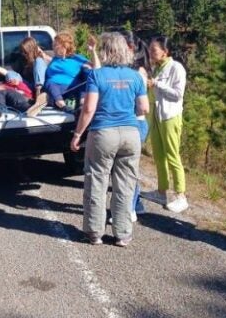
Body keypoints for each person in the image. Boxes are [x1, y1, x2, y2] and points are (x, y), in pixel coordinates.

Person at [71, 33, 148, 247]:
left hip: (103, 132)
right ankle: (122, 233)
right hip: (131, 133)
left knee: (97, 180)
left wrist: (78, 135)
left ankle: (94, 231)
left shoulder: (97, 75)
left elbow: (88, 109)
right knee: (125, 184)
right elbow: (144, 108)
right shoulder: (135, 77)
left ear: (105, 50)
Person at [89, 31, 151, 222]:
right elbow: (144, 108)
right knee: (125, 172)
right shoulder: (131, 73)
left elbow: (142, 109)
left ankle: (129, 209)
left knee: (115, 175)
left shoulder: (137, 72)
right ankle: (126, 219)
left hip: (122, 126)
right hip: (132, 126)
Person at [145, 35, 188, 213]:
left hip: (170, 117)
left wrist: (157, 84)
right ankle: (161, 191)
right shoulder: (156, 68)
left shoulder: (176, 68)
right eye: (150, 50)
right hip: (156, 116)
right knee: (158, 155)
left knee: (172, 155)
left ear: (165, 52)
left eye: (154, 51)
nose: (151, 54)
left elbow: (177, 94)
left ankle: (181, 195)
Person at [44, 32, 90, 111]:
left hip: (72, 87)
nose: (52, 47)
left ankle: (82, 105)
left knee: (85, 79)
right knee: (49, 83)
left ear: (64, 46)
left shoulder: (76, 58)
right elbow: (43, 56)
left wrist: (93, 51)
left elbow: (96, 67)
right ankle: (63, 106)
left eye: (55, 45)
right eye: (53, 45)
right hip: (55, 90)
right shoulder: (54, 59)